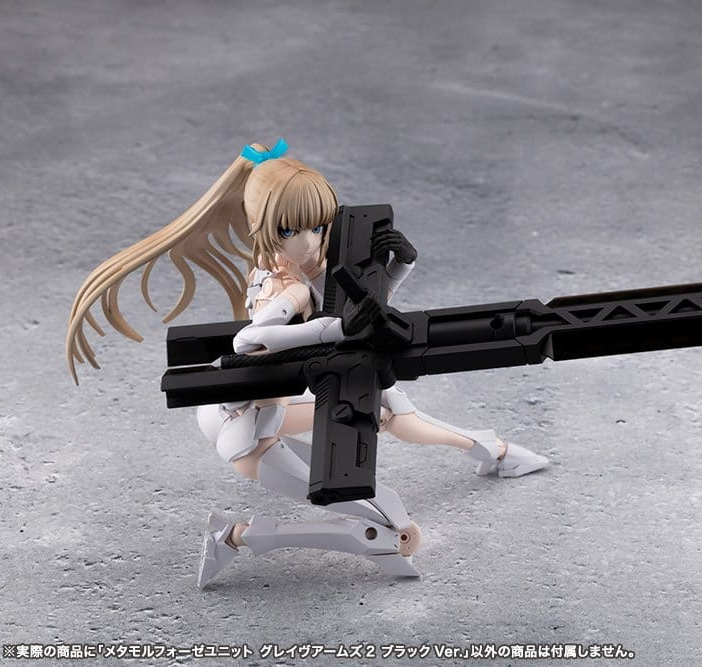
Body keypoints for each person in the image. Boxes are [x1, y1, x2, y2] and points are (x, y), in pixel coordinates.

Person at [65, 140, 549, 587]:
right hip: (246, 427)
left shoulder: (317, 266)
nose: (310, 240)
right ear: (265, 228)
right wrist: (334, 330)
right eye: (291, 230)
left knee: (393, 410)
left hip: (285, 398)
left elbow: (363, 310)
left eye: (319, 225)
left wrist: (400, 266)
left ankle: (493, 451)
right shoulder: (282, 285)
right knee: (392, 525)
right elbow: (251, 339)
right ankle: (233, 537)